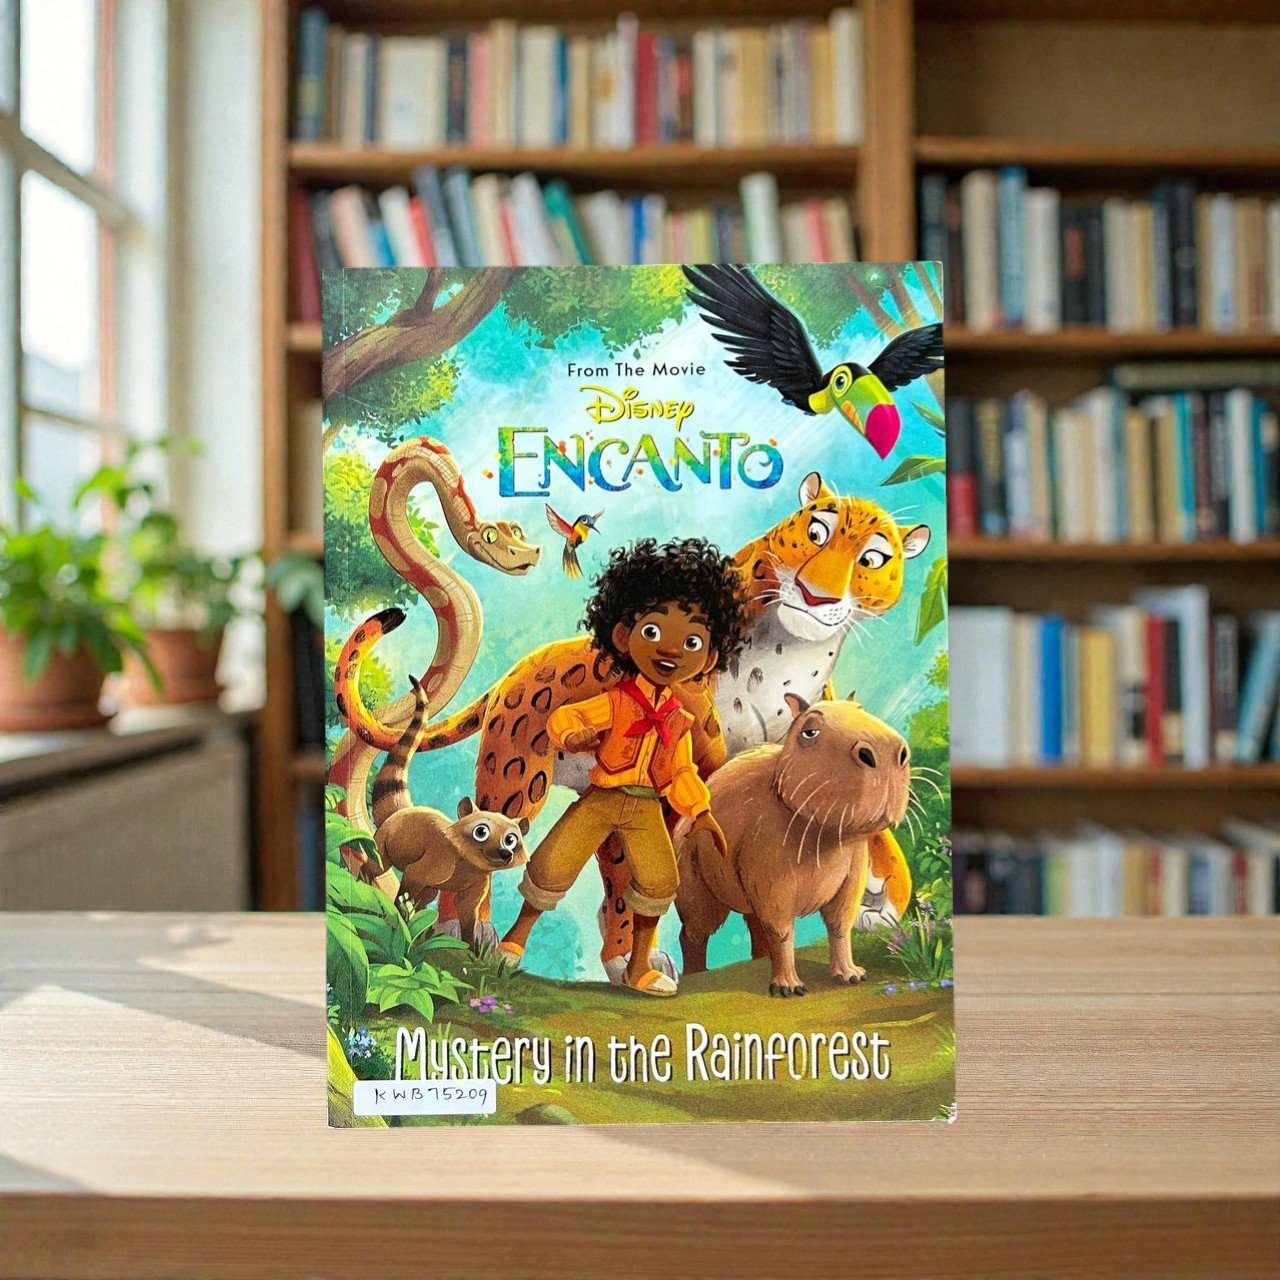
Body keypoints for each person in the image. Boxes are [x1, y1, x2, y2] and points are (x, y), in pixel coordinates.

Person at [498, 537, 751, 995]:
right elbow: (572, 717)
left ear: (709, 657)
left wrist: (700, 811)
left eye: (692, 641)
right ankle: (515, 938)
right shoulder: (618, 700)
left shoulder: (678, 717)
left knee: (659, 879)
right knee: (555, 860)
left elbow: (679, 772)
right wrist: (570, 734)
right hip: (604, 796)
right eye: (652, 632)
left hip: (645, 807)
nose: (671, 650)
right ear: (622, 636)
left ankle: (639, 965)